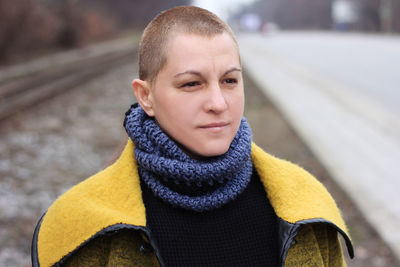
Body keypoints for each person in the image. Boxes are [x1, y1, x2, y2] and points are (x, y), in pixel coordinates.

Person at [32, 6, 353, 267]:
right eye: (191, 84)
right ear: (146, 96)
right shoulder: (79, 225)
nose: (218, 104)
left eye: (229, 81)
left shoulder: (309, 206)